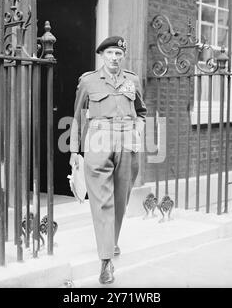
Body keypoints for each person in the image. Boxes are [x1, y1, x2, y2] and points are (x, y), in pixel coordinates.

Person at [69, 36, 147, 284]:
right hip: (98, 143)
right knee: (101, 201)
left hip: (127, 142)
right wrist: (74, 151)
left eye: (118, 53)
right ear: (102, 55)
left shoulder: (132, 80)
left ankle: (110, 242)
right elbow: (78, 116)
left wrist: (138, 130)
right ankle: (106, 261)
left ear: (123, 56)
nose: (115, 58)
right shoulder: (88, 81)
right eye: (110, 53)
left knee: (121, 198)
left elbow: (142, 111)